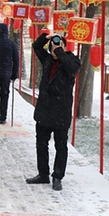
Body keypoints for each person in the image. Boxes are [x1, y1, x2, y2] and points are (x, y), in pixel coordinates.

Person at [26, 33, 80, 191]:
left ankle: (57, 176)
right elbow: (36, 47)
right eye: (53, 47)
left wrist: (61, 52)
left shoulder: (72, 60)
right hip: (44, 110)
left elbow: (72, 68)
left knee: (60, 146)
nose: (56, 49)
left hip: (61, 112)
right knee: (41, 144)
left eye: (60, 46)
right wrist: (46, 37)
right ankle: (43, 173)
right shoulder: (48, 59)